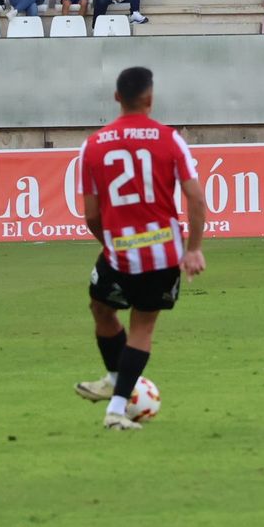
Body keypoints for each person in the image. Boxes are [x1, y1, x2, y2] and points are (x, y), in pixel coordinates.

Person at [73, 66, 207, 431]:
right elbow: (195, 198)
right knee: (130, 323)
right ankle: (117, 384)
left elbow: (90, 215)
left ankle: (116, 408)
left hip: (119, 251)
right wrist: (193, 249)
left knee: (103, 310)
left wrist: (110, 246)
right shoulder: (170, 140)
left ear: (117, 98)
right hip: (163, 253)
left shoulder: (93, 145)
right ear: (150, 98)